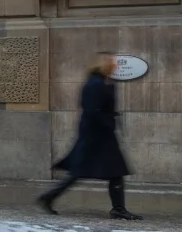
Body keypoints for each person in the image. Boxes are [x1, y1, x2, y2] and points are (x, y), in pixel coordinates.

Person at [38, 53, 139, 220]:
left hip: (100, 134)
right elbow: (92, 111)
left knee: (113, 171)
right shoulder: (94, 84)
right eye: (113, 63)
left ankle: (118, 208)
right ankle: (49, 196)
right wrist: (108, 124)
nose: (116, 65)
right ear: (104, 64)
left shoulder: (102, 82)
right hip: (96, 136)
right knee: (86, 171)